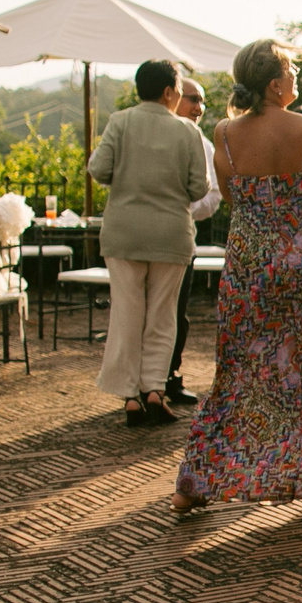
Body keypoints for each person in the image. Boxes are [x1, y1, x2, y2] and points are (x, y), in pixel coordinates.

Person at [174, 40, 302, 521]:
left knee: (240, 373)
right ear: (276, 84)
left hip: (251, 264)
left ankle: (195, 484)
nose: (297, 75)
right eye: (292, 69)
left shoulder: (224, 134)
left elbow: (235, 195)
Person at [88, 59, 212, 425]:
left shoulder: (119, 122)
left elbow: (98, 169)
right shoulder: (187, 132)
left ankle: (129, 396)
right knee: (162, 315)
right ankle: (155, 388)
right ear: (170, 92)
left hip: (124, 232)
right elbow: (198, 187)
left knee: (126, 314)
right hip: (171, 235)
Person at [162, 74, 223, 407]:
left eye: (202, 100)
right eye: (192, 99)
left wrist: (181, 207)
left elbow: (213, 197)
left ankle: (170, 375)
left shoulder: (205, 145)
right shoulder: (152, 135)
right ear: (171, 97)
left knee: (177, 312)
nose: (199, 108)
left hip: (182, 237)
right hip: (148, 237)